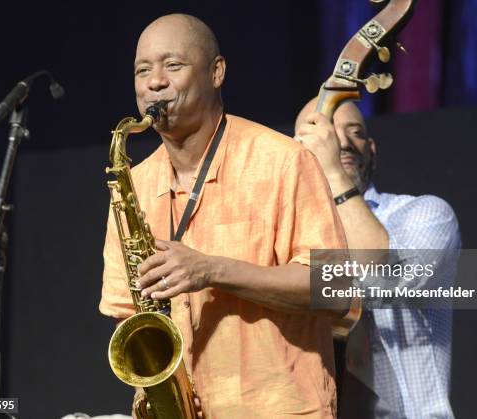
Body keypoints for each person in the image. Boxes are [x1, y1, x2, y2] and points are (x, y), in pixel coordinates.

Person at [100, 14, 350, 419]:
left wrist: (212, 270)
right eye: (142, 70)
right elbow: (127, 317)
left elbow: (337, 288)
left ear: (216, 72)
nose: (155, 82)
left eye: (173, 65)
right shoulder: (133, 185)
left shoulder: (284, 161)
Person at [295, 98, 461, 418]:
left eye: (354, 132)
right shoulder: (284, 231)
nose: (340, 142)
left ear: (371, 149)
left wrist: (331, 173)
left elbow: (389, 278)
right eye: (322, 131)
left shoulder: (423, 214)